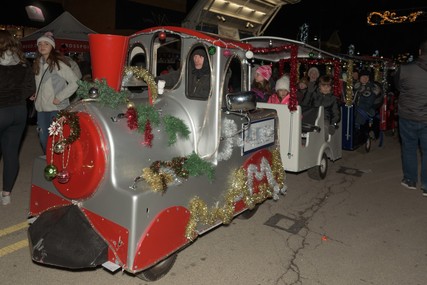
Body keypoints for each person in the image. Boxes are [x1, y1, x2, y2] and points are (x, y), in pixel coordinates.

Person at [0, 30, 36, 205]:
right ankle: (6, 195)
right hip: (19, 112)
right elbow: (30, 87)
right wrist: (18, 97)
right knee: (11, 153)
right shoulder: (23, 63)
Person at [30, 32, 79, 154]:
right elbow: (41, 84)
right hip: (41, 108)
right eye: (40, 44)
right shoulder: (38, 63)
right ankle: (50, 164)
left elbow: (75, 82)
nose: (42, 46)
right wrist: (36, 93)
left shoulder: (58, 64)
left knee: (56, 140)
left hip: (55, 108)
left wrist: (60, 97)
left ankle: (57, 167)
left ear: (52, 46)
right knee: (43, 139)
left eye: (46, 44)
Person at [394, 39, 427, 195]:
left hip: (408, 116)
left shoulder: (405, 68)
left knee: (409, 148)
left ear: (420, 52)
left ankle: (410, 180)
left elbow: (398, 86)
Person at [303, 75, 341, 139]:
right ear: (319, 86)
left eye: (328, 86)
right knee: (303, 124)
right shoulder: (314, 94)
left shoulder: (333, 98)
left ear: (331, 87)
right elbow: (304, 104)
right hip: (312, 117)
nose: (326, 88)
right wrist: (309, 92)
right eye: (323, 86)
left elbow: (336, 113)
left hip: (325, 118)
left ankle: (323, 141)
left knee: (324, 127)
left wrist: (333, 123)